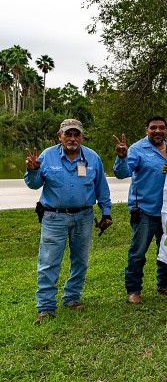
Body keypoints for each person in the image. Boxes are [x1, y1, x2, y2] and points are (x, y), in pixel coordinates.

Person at [25, 119, 112, 324]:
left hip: (84, 216)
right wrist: (34, 171)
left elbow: (102, 187)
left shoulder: (92, 157)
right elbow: (34, 185)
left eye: (76, 134)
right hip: (54, 216)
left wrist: (106, 212)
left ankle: (72, 298)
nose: (72, 138)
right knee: (48, 262)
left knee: (80, 260)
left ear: (82, 136)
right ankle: (46, 307)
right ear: (60, 136)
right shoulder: (47, 156)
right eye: (68, 134)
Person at [113, 116, 167, 304]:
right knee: (138, 253)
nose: (157, 131)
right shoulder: (136, 149)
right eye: (153, 128)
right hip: (144, 210)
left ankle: (165, 285)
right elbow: (122, 173)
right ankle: (134, 290)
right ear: (147, 130)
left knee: (166, 250)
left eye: (161, 128)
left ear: (166, 130)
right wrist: (122, 157)